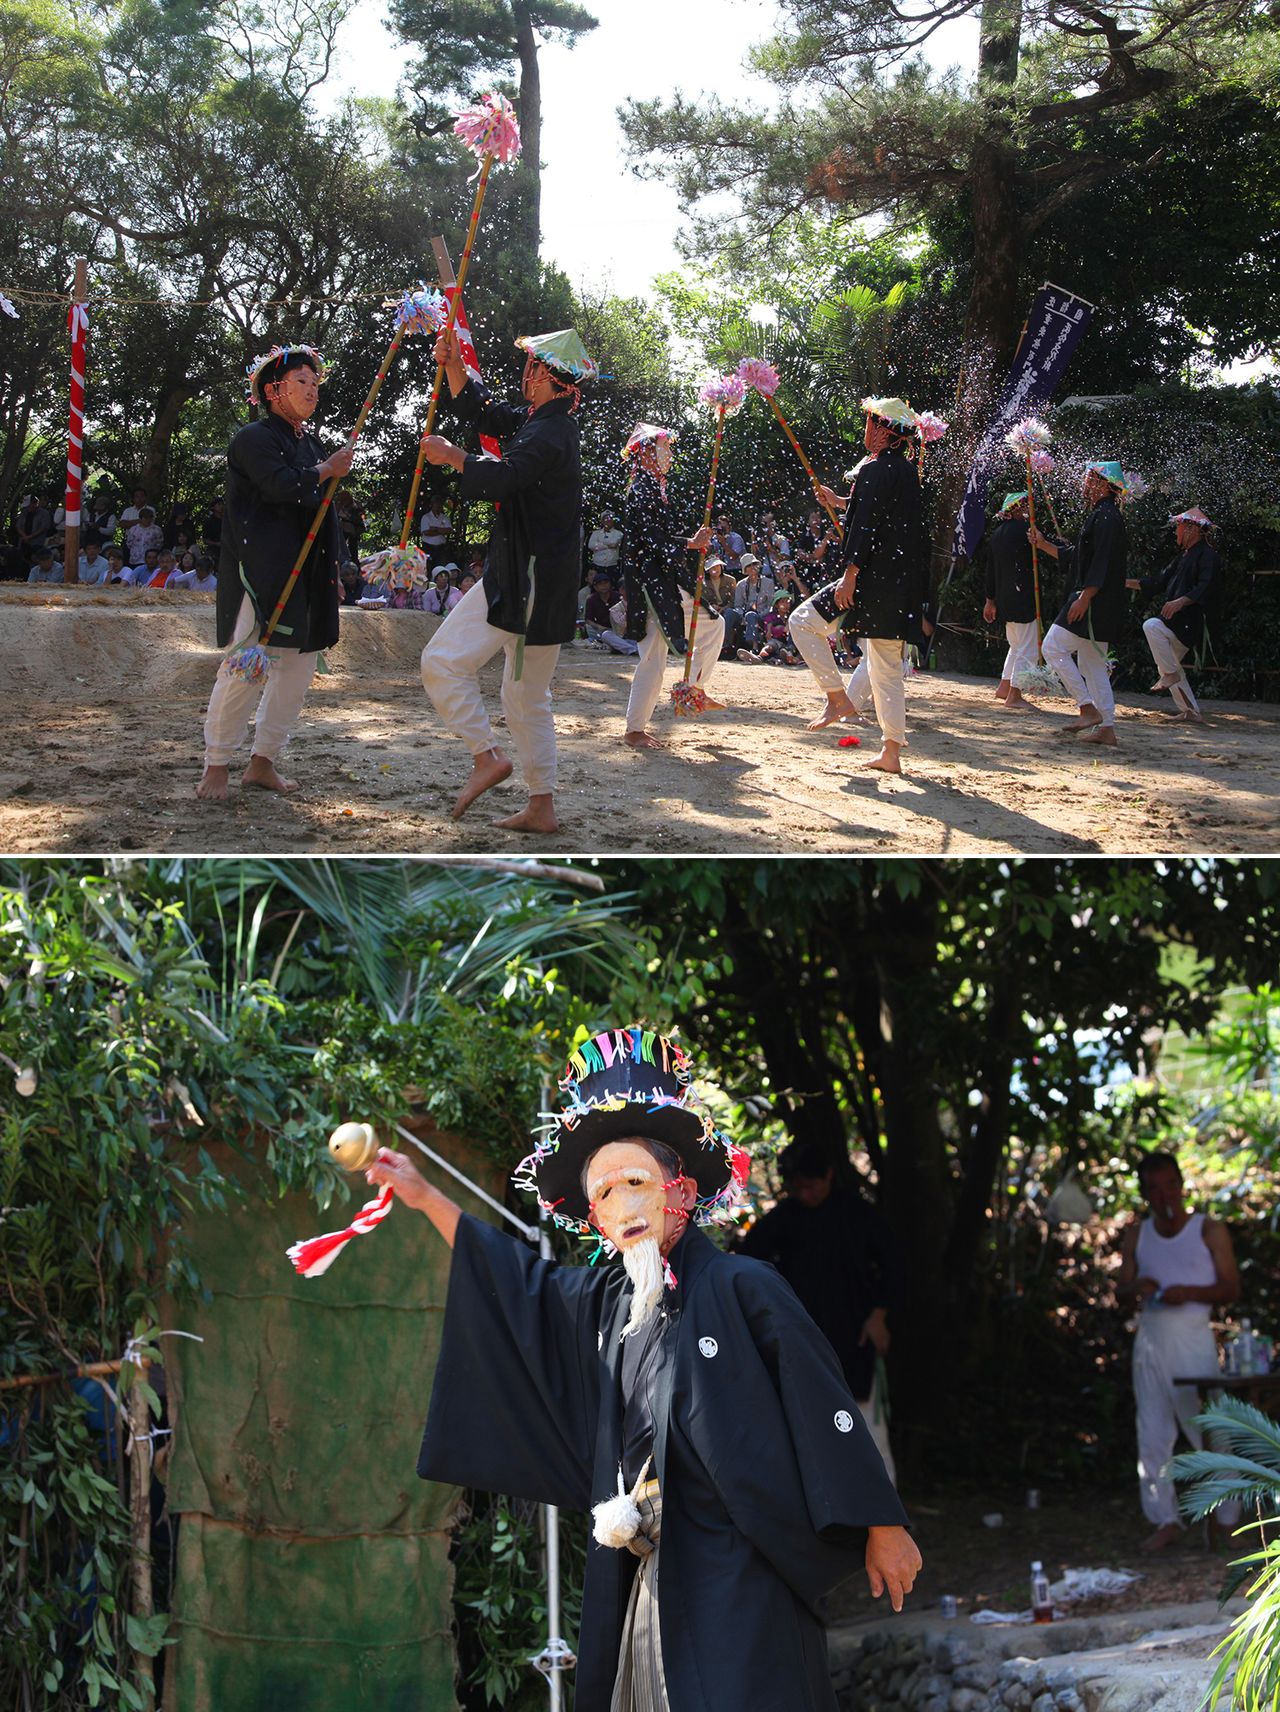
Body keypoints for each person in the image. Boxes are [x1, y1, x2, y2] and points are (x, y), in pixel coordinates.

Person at [365, 1026, 920, 1712]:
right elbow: (518, 1284)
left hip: (740, 1565)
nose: (621, 1205)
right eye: (603, 1195)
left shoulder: (745, 1287)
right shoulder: (608, 1303)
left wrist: (880, 1521)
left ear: (681, 1191)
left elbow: (822, 1401)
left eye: (635, 1182)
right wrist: (424, 1199)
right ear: (594, 1219)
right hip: (650, 1569)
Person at [419, 325, 597, 833]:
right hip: (540, 575)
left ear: (542, 374)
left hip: (526, 577)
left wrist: (455, 456)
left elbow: (505, 476)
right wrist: (453, 365)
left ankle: (485, 756)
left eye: (531, 365)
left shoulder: (548, 430)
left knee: (442, 662)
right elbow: (488, 413)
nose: (525, 372)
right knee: (525, 697)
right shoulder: (545, 421)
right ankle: (542, 804)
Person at [196, 342, 351, 802]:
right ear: (273, 391)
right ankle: (217, 763)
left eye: (315, 383)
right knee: (246, 667)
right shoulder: (253, 439)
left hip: (306, 574)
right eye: (302, 381)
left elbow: (325, 514)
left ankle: (263, 761)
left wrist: (335, 569)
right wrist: (326, 469)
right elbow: (280, 487)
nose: (312, 390)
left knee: (297, 672)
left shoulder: (311, 443)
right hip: (259, 572)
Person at [739, 1140, 907, 1484]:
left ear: (829, 1176)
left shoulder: (858, 1214)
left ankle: (888, 1518)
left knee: (868, 1427)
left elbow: (895, 1263)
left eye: (811, 1186)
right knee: (805, 1424)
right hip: (800, 1340)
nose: (805, 1195)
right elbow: (746, 1261)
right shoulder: (784, 1219)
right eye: (797, 1188)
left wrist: (880, 1315)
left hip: (855, 1335)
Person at [788, 398, 931, 773]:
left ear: (885, 432)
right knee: (885, 668)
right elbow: (872, 509)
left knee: (802, 621)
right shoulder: (904, 471)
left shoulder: (874, 469)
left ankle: (837, 698)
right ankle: (891, 752)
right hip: (895, 584)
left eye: (871, 424)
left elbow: (867, 525)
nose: (866, 431)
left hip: (870, 580)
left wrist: (850, 575)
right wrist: (839, 501)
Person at [1116, 1151, 1242, 1551]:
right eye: (1153, 1188)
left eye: (1169, 1184)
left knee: (1210, 1430)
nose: (1163, 1195)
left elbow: (1231, 1287)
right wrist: (1139, 1288)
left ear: (1181, 1185)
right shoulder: (1139, 1234)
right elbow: (1121, 1291)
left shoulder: (1208, 1230)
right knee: (1151, 1433)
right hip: (1151, 1341)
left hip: (1193, 1341)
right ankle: (1165, 1519)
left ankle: (1228, 1520)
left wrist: (1189, 1292)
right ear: (1145, 1193)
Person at [617, 422, 724, 749]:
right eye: (666, 448)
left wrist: (689, 543)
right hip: (651, 582)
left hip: (655, 580)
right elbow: (652, 542)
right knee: (659, 653)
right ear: (648, 453)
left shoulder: (651, 487)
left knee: (663, 651)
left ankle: (689, 692)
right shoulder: (643, 489)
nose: (671, 454)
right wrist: (689, 544)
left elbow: (657, 540)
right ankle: (686, 694)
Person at [1037, 461, 1129, 747]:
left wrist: (1085, 597)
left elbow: (1099, 563)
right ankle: (1108, 728)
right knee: (1093, 666)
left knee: (1051, 647)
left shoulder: (1106, 517)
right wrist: (1042, 544)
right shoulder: (1104, 515)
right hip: (1100, 603)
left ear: (1103, 484)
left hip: (1092, 601)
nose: (1085, 485)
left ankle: (1087, 708)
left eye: (1091, 480)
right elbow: (1079, 556)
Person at [1126, 507, 1221, 724]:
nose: (1176, 533)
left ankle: (1172, 678)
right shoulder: (1183, 557)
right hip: (1178, 622)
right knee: (1169, 665)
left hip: (1190, 622)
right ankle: (1191, 711)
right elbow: (1157, 582)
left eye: (1178, 528)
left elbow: (1205, 587)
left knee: (1152, 627)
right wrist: (1122, 582)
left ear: (1191, 530)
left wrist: (1180, 602)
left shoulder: (1209, 557)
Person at [981, 492, 1042, 711]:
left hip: (1004, 598)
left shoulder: (998, 533)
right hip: (1021, 595)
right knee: (1027, 647)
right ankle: (1015, 694)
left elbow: (990, 571)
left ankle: (1005, 686)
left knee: (1016, 645)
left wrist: (990, 600)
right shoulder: (1024, 532)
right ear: (1017, 509)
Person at [588, 507, 623, 575]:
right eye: (606, 518)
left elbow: (614, 543)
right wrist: (607, 545)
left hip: (612, 566)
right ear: (602, 521)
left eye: (610, 518)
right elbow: (591, 545)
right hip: (597, 565)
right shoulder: (596, 533)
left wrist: (599, 543)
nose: (608, 520)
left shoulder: (619, 533)